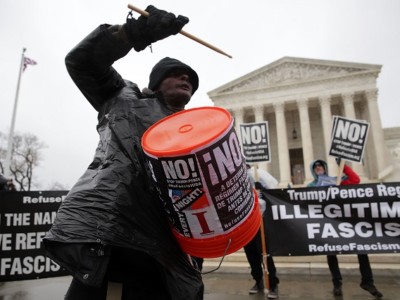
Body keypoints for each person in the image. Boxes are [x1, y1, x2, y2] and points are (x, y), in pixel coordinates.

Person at [42, 5, 203, 300]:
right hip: (112, 241)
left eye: (190, 78)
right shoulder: (122, 97)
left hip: (165, 255)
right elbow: (81, 61)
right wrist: (132, 33)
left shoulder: (196, 133)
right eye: (177, 74)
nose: (186, 79)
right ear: (155, 85)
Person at [308, 159, 383, 298]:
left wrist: (343, 166)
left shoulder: (337, 181)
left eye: (320, 165)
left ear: (324, 167)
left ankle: (368, 282)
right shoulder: (311, 186)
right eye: (316, 166)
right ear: (313, 170)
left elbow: (355, 180)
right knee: (331, 252)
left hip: (347, 223)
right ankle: (337, 283)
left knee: (362, 249)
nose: (318, 168)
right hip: (328, 223)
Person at [245, 164, 280, 299]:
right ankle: (258, 280)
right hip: (246, 223)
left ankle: (272, 284)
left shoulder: (258, 176)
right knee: (251, 253)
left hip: (260, 221)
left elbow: (272, 194)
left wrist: (262, 189)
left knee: (264, 253)